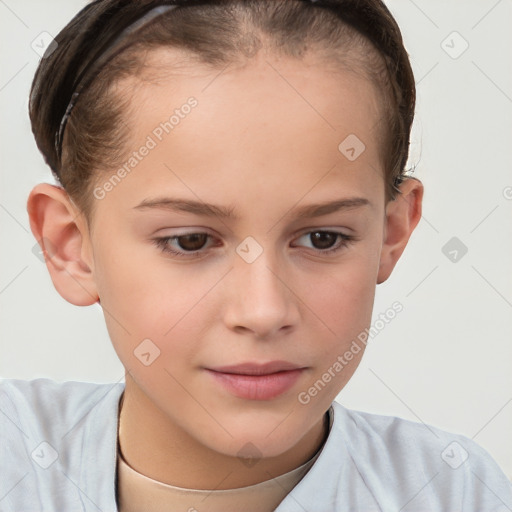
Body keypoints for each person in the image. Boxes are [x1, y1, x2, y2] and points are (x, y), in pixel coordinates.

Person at [1, 0, 510, 510]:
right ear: (70, 246)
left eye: (323, 239)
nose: (263, 312)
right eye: (190, 241)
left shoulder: (455, 493)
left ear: (391, 232)